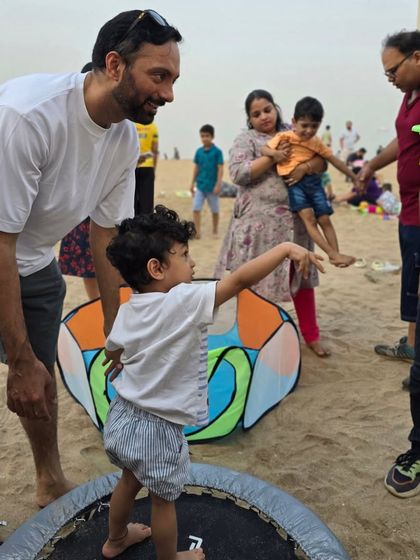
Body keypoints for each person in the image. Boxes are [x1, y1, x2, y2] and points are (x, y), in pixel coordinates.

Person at [0, 9, 181, 508]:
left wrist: (115, 331)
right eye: (159, 76)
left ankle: (49, 479)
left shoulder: (123, 139)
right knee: (24, 368)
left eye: (172, 80)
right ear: (115, 65)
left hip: (35, 264)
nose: (168, 94)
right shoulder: (28, 116)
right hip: (3, 249)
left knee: (42, 379)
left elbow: (106, 240)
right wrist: (17, 359)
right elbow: (0, 242)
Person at [100, 205, 323, 559]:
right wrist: (284, 249)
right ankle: (171, 558)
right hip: (158, 429)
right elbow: (239, 281)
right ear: (156, 268)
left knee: (128, 481)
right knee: (163, 501)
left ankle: (115, 540)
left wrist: (118, 361)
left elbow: (115, 348)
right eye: (184, 255)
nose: (193, 264)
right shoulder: (183, 300)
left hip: (122, 416)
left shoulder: (131, 305)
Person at [214, 89, 330, 357]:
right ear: (249, 119)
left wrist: (304, 168)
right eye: (256, 114)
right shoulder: (247, 140)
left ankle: (311, 336)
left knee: (301, 277)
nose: (264, 116)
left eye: (267, 109)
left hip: (295, 223)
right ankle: (253, 336)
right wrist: (272, 157)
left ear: (276, 108)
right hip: (257, 228)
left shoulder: (295, 131)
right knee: (253, 281)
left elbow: (322, 160)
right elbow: (239, 173)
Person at [356, 30, 420, 497]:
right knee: (414, 313)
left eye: (394, 70)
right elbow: (406, 141)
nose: (390, 78)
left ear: (417, 58)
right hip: (411, 220)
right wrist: (371, 165)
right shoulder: (411, 101)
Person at [262, 96, 357, 267]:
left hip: (314, 183)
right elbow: (264, 148)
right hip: (294, 184)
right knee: (309, 219)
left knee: (325, 219)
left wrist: (355, 177)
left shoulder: (317, 143)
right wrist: (275, 154)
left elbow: (334, 161)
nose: (308, 130)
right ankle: (331, 253)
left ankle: (336, 254)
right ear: (294, 122)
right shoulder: (284, 137)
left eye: (314, 126)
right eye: (304, 125)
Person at [58, 63, 99, 301]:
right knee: (87, 261)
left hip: (100, 207)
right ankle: (94, 303)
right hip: (80, 208)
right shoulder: (67, 123)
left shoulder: (118, 129)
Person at [190, 124, 224, 238]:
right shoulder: (198, 151)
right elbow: (196, 168)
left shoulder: (217, 152)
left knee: (214, 210)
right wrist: (192, 183)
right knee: (196, 208)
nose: (205, 138)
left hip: (212, 187)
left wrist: (218, 184)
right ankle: (197, 232)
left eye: (207, 136)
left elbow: (220, 169)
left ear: (212, 136)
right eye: (202, 136)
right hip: (200, 185)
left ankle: (215, 230)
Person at [134, 121, 159, 214]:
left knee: (133, 198)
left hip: (133, 165)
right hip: (148, 165)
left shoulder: (133, 125)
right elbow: (155, 150)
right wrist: (154, 169)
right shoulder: (153, 127)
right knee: (147, 201)